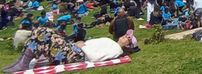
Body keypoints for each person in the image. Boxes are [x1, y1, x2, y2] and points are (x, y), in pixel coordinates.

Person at [3, 27, 134, 72]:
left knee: (45, 32)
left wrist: (83, 46)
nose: (124, 37)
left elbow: (95, 58)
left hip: (78, 55)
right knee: (40, 31)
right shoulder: (110, 41)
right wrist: (81, 43)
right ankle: (21, 62)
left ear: (128, 45)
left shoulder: (117, 50)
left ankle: (23, 63)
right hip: (74, 49)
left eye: (128, 39)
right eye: (125, 35)